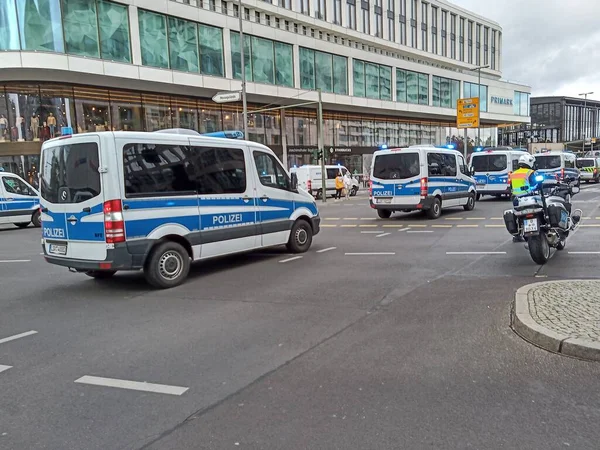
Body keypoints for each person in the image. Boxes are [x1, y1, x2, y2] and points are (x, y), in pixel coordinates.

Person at [510, 154, 540, 242]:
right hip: (529, 197)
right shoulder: (530, 172)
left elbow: (511, 188)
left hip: (516, 199)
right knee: (537, 212)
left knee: (518, 216)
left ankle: (517, 235)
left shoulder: (513, 174)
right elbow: (535, 184)